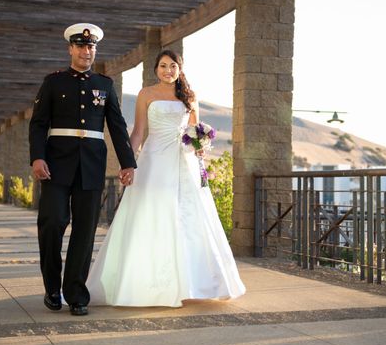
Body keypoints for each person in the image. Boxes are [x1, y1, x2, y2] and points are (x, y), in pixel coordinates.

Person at [87, 49, 246, 307]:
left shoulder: (190, 97)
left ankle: (193, 284)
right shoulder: (146, 95)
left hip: (185, 162)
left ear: (179, 69)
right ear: (156, 69)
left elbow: (196, 132)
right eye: (163, 66)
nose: (168, 70)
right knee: (153, 213)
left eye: (173, 66)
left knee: (190, 217)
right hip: (154, 160)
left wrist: (201, 147)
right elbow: (138, 132)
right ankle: (148, 284)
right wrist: (128, 162)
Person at [29, 23, 137, 316]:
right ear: (70, 49)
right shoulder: (53, 82)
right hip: (56, 164)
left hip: (90, 166)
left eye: (90, 47)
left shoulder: (105, 84)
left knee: (85, 230)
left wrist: (128, 163)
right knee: (52, 222)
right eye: (80, 46)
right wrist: (37, 158)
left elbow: (116, 125)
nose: (86, 51)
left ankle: (76, 293)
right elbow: (38, 123)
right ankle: (52, 287)